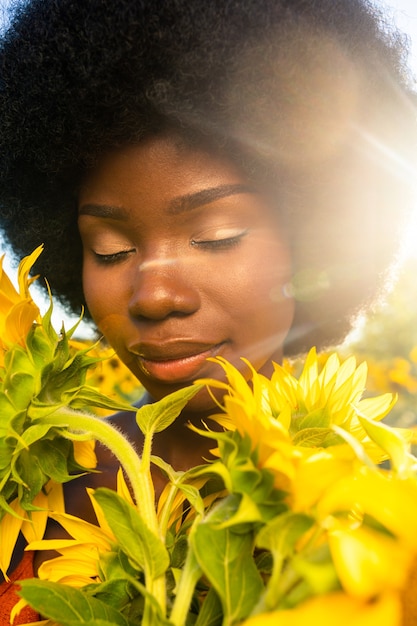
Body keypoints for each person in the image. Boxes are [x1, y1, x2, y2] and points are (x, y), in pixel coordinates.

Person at [0, 0, 416, 621]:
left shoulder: (387, 505)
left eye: (216, 236)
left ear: (311, 240)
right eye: (110, 249)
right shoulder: (26, 488)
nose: (154, 295)